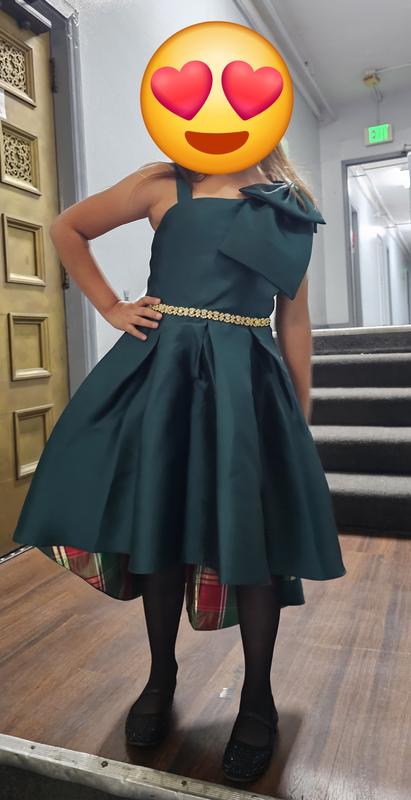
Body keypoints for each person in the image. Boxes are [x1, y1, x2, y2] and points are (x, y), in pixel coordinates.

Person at [12, 145, 346, 783]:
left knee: (253, 541)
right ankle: (160, 677)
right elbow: (68, 228)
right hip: (164, 378)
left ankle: (258, 699)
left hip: (247, 387)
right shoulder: (163, 182)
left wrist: (297, 420)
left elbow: (295, 321)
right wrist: (112, 307)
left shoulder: (290, 205)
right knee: (159, 529)